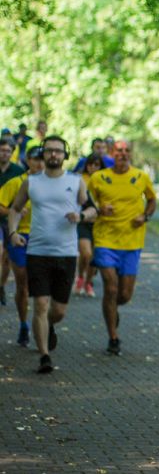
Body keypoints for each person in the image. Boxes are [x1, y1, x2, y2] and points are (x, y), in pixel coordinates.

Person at [7, 136, 96, 374]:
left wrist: (82, 216)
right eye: (49, 151)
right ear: (43, 155)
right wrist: (13, 232)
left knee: (58, 311)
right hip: (37, 251)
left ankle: (48, 326)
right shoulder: (31, 182)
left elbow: (91, 209)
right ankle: (45, 356)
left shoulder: (76, 181)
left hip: (66, 253)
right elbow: (15, 209)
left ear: (64, 155)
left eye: (58, 151)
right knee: (40, 305)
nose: (53, 155)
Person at [87, 139, 156, 356]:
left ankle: (111, 309)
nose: (123, 154)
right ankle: (113, 337)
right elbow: (85, 203)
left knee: (124, 295)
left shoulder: (140, 177)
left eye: (127, 151)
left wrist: (144, 216)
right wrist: (99, 208)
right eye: (119, 151)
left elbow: (152, 200)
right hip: (105, 240)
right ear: (111, 153)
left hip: (132, 242)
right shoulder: (98, 178)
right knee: (111, 286)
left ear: (131, 154)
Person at [0, 145, 45, 346]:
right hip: (20, 237)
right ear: (28, 160)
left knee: (44, 286)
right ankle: (24, 324)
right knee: (23, 283)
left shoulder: (53, 184)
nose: (39, 163)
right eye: (36, 159)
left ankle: (44, 322)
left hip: (44, 238)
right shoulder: (16, 183)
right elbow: (1, 205)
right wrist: (13, 210)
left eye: (42, 159)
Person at [0, 137, 26, 306]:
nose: (5, 154)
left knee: (7, 259)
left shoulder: (18, 171)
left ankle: (1, 285)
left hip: (8, 218)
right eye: (2, 150)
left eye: (8, 151)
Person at [74, 154, 104, 297]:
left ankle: (88, 282)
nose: (93, 167)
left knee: (94, 257)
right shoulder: (80, 179)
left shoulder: (105, 180)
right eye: (91, 164)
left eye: (97, 165)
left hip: (100, 224)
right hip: (84, 222)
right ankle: (80, 277)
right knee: (86, 253)